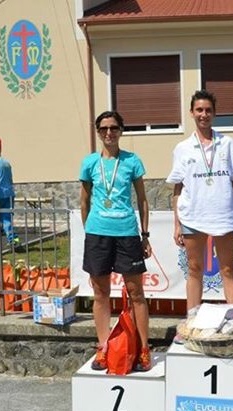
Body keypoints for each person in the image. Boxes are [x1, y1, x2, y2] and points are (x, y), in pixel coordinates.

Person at [79, 110, 153, 372]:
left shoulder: (132, 161)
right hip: (98, 234)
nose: (109, 133)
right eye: (104, 129)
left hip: (127, 233)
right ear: (98, 132)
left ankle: (144, 349)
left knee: (136, 293)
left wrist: (145, 235)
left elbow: (142, 200)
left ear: (121, 130)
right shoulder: (90, 163)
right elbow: (84, 201)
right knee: (100, 293)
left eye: (113, 128)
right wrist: (90, 231)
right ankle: (103, 347)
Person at [166, 90, 233, 313]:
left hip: (224, 216)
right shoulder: (182, 148)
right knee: (194, 269)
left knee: (228, 270)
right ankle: (192, 320)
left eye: (208, 110)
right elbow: (177, 188)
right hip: (193, 216)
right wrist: (177, 224)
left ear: (215, 113)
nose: (204, 114)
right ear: (191, 113)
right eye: (199, 110)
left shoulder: (227, 143)